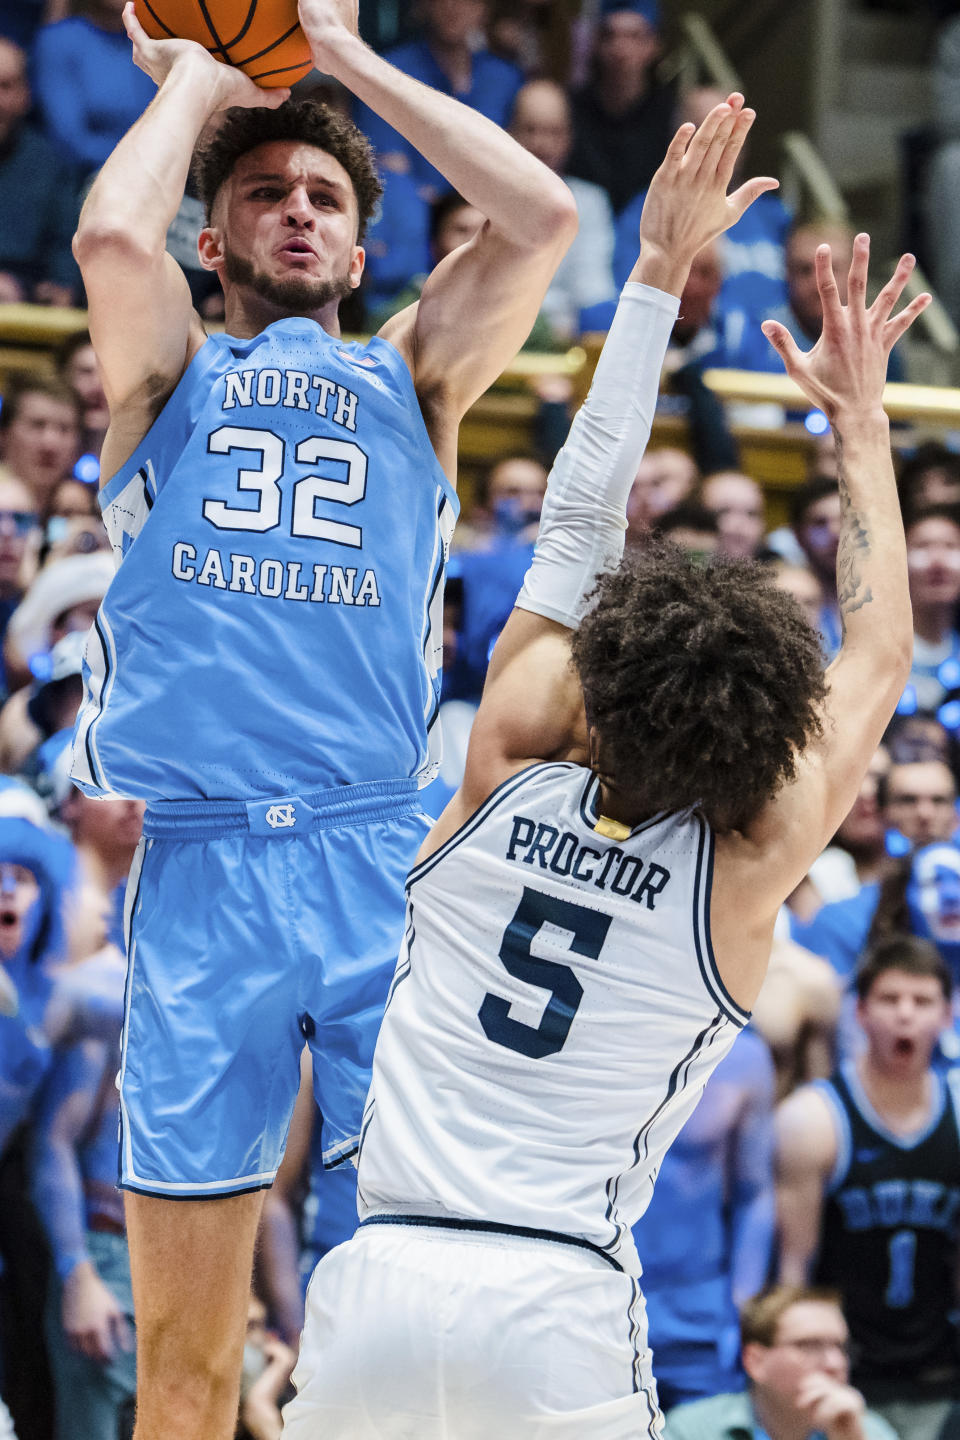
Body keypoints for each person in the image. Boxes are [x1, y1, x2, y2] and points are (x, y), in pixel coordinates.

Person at [283, 100, 929, 1438]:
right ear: (766, 732)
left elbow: (583, 510)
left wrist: (649, 279)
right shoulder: (746, 868)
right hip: (554, 1298)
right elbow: (881, 647)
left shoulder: (507, 750)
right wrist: (858, 416)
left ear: (603, 678)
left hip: (384, 1269)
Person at [70, 3, 577, 1436]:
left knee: (403, 1343)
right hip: (205, 871)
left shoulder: (413, 375)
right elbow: (114, 242)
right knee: (184, 1369)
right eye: (262, 195)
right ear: (213, 244)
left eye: (325, 199)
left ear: (362, 254)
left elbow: (535, 215)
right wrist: (212, 80)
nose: (297, 210)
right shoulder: (171, 368)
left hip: (378, 864)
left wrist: (343, 62)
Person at [776, 937, 960, 1440]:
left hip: (942, 1372)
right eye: (889, 999)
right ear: (859, 1011)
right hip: (845, 1371)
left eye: (921, 1002)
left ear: (947, 1015)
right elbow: (795, 1264)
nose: (905, 1015)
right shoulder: (813, 1119)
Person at [632, 1028, 776, 1410]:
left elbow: (755, 1193)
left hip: (700, 1310)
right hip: (600, 1295)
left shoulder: (743, 1055)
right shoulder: (599, 1032)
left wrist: (744, 1305)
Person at [663, 1286, 898, 1440]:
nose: (835, 1363)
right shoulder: (691, 1431)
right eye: (810, 1345)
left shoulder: (868, 1431)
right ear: (755, 1361)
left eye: (840, 1347)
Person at [353, 0, 524, 201]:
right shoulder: (387, 70)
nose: (454, 6)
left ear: (485, 9)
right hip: (413, 214)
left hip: (493, 212)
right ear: (424, 4)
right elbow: (388, 166)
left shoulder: (505, 78)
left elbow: (519, 164)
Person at [508, 78, 618, 337]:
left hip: (567, 344)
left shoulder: (591, 203)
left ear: (568, 138)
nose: (541, 144)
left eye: (552, 132)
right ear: (510, 132)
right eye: (530, 129)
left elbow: (593, 294)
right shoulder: (482, 196)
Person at [0, 35, 78, 305]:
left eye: (5, 87)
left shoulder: (51, 164)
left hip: (28, 308)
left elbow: (66, 252)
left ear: (25, 94)